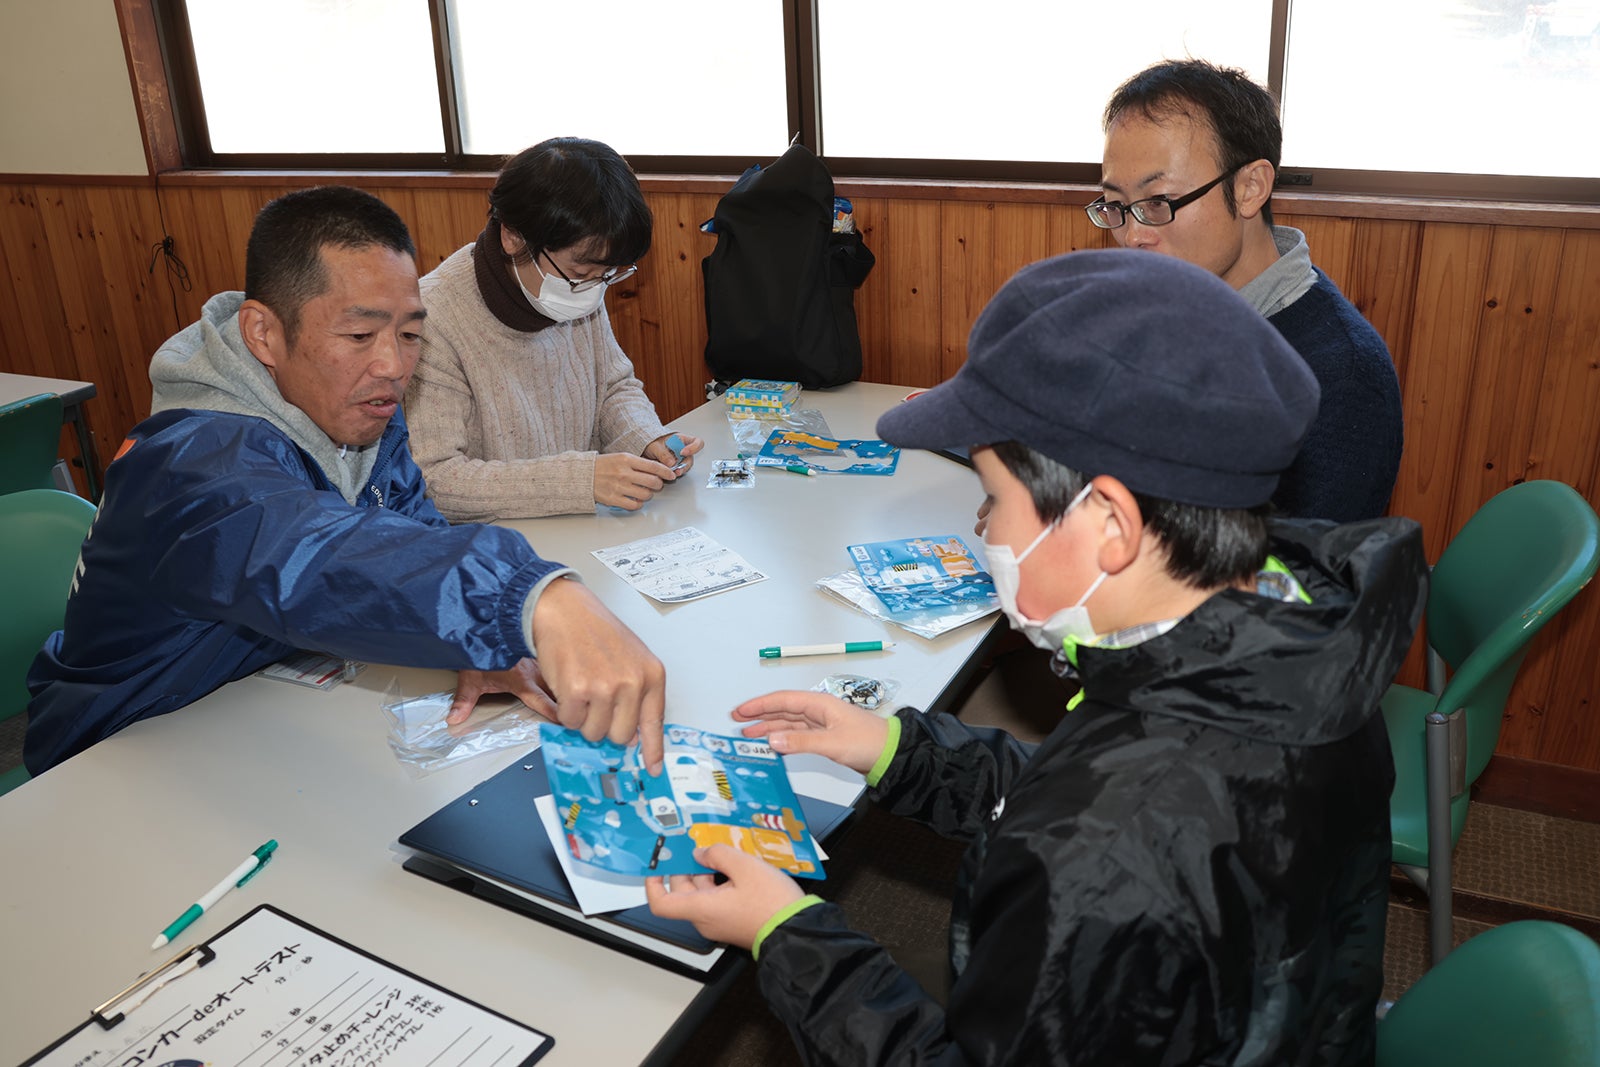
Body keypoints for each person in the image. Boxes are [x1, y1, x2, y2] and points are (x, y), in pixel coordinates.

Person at [647, 249, 1428, 1065]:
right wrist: (898, 749)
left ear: (1111, 526)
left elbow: (1109, 829)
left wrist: (789, 934)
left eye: (994, 496)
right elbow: (1104, 785)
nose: (984, 529)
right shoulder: (1302, 642)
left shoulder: (1102, 861)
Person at [24, 186, 666, 776]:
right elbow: (309, 555)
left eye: (411, 334)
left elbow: (409, 534)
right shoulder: (191, 460)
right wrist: (530, 599)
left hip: (257, 723)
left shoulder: (355, 412)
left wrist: (466, 642)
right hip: (119, 753)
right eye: (359, 334)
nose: (392, 365)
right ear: (263, 334)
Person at [1093, 59, 1404, 523]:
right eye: (1117, 205)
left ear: (1250, 188)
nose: (1134, 235)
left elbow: (1302, 585)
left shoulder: (1340, 379)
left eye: (1158, 202)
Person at [405, 137, 703, 521]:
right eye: (582, 273)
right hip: (494, 552)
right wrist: (581, 480)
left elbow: (611, 387)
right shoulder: (433, 321)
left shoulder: (570, 285)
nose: (593, 289)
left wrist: (646, 440)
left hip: (582, 529)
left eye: (607, 275)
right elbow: (436, 480)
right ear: (513, 235)